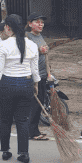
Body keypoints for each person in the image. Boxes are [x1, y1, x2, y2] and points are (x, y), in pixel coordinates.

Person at [0, 15, 40, 163]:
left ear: (7, 27)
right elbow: (34, 69)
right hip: (26, 84)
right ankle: (24, 153)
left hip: (7, 85)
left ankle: (5, 151)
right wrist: (36, 84)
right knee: (22, 120)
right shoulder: (32, 45)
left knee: (5, 120)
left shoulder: (2, 46)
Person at [26, 12, 52, 141]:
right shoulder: (27, 37)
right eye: (37, 22)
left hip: (42, 74)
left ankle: (34, 130)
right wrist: (38, 50)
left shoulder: (40, 36)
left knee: (40, 102)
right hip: (32, 75)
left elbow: (45, 55)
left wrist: (49, 72)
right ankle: (32, 131)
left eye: (42, 22)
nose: (40, 24)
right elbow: (25, 53)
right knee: (35, 104)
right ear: (30, 24)